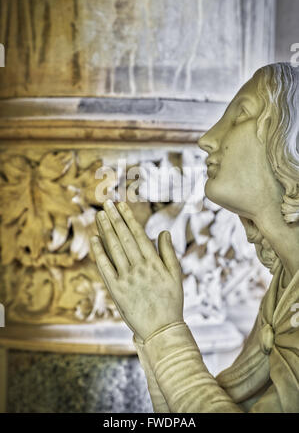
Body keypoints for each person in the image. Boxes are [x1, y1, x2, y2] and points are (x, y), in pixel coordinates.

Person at [91, 62, 299, 413]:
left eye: (241, 114)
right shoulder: (284, 291)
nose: (207, 139)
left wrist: (165, 332)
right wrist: (153, 330)